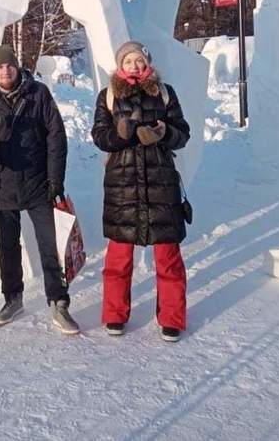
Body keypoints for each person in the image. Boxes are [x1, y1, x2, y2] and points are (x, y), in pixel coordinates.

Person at [0, 44, 80, 335]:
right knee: (7, 247)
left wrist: (55, 180)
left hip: (38, 184)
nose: (5, 70)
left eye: (9, 65)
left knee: (50, 246)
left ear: (17, 66)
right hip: (1, 186)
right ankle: (13, 298)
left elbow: (56, 137)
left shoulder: (38, 93)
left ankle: (59, 302)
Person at [91, 41, 190, 342]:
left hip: (161, 180)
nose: (134, 66)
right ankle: (114, 314)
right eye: (129, 61)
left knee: (168, 255)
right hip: (123, 183)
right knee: (119, 258)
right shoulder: (108, 95)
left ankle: (172, 318)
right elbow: (99, 136)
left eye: (139, 60)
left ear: (147, 62)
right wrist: (119, 134)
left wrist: (163, 134)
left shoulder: (165, 92)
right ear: (121, 65)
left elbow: (183, 133)